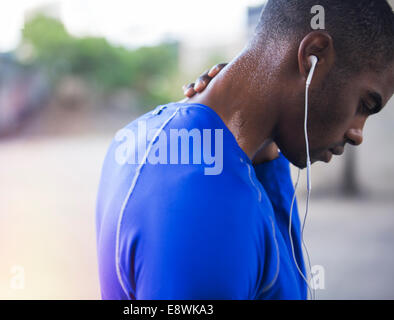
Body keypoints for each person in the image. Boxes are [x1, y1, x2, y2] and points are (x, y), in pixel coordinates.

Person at [95, 0, 394, 299]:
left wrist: (266, 158)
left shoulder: (144, 134)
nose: (358, 135)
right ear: (313, 56)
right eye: (365, 105)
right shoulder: (208, 207)